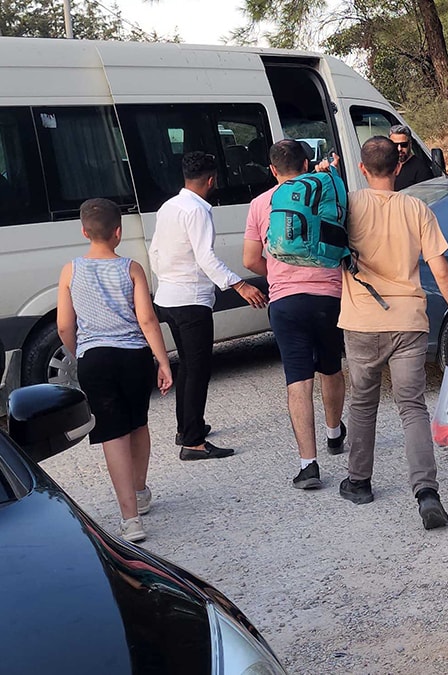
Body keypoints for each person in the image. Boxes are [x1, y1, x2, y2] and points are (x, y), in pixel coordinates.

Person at [337, 136, 448, 531]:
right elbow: (440, 269)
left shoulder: (349, 206)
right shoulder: (416, 208)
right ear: (398, 167)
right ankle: (426, 493)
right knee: (412, 406)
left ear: (362, 169)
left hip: (361, 320)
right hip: (409, 320)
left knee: (363, 403)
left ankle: (359, 482)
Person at [56, 198, 173, 542]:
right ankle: (140, 490)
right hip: (133, 357)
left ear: (84, 232)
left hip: (95, 358)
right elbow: (147, 319)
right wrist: (163, 361)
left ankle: (130, 519)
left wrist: (80, 351)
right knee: (138, 423)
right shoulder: (131, 269)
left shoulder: (70, 270)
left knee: (112, 433)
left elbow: (64, 325)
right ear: (118, 232)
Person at [242, 140, 347, 490]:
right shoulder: (326, 193)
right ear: (305, 164)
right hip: (328, 296)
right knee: (330, 367)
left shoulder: (261, 203)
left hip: (286, 302)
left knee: (298, 380)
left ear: (273, 170)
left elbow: (249, 260)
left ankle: (308, 464)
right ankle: (334, 433)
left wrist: (276, 273)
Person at [149, 151, 267, 460]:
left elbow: (155, 252)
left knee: (188, 366)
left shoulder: (168, 206)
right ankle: (193, 443)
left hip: (168, 297)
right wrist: (239, 284)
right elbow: (206, 257)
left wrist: (168, 279)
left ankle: (187, 427)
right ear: (212, 180)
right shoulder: (198, 211)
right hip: (191, 301)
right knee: (198, 370)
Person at [389, 125, 434, 191]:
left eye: (403, 145)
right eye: (395, 145)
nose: (399, 149)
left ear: (410, 144)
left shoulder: (421, 169)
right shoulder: (385, 167)